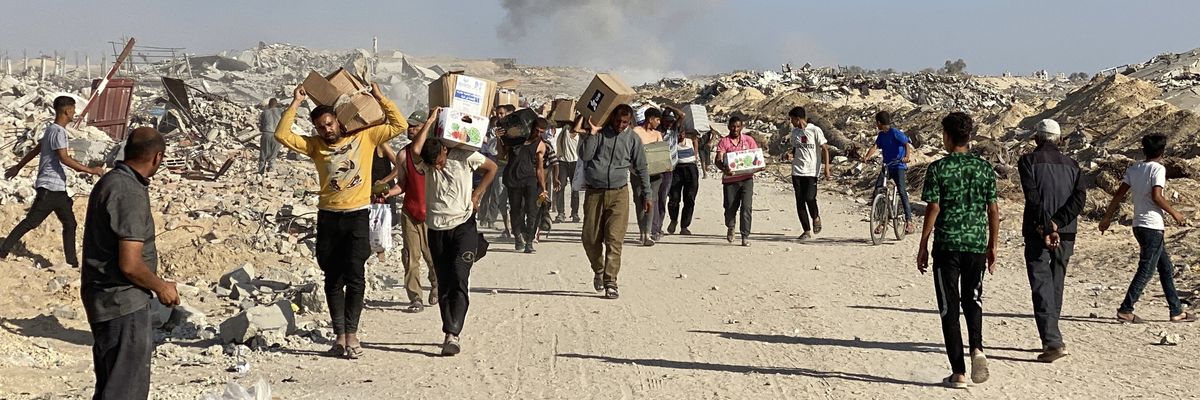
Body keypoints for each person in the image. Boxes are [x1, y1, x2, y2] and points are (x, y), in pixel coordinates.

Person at [275, 83, 407, 359]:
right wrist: (297, 102)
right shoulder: (314, 147)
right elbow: (281, 134)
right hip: (329, 219)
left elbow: (399, 124)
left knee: (356, 277)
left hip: (358, 216)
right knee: (332, 278)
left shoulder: (365, 139)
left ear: (338, 122)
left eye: (329, 124)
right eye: (321, 127)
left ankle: (353, 335)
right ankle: (338, 337)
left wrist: (380, 98)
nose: (327, 130)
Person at [81, 127, 177, 400]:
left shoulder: (112, 181)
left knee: (111, 386)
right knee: (125, 391)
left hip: (105, 300)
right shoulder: (129, 192)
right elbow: (130, 264)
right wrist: (161, 287)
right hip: (123, 303)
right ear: (157, 158)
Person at [916, 112, 999, 388]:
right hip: (976, 244)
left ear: (948, 136)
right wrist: (992, 245)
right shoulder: (985, 169)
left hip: (947, 245)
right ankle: (977, 348)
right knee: (973, 298)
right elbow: (993, 210)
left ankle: (959, 372)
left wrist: (923, 243)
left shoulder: (938, 169)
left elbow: (933, 208)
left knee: (948, 306)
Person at [408, 107, 499, 356]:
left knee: (459, 275)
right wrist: (430, 121)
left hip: (463, 224)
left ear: (445, 151)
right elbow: (416, 150)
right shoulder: (427, 163)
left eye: (438, 162)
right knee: (445, 280)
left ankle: (453, 333)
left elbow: (492, 168)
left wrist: (477, 195)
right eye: (432, 165)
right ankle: (449, 327)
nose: (436, 168)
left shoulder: (466, 156)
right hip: (436, 229)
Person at [1100, 134, 1195, 324]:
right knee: (1146, 269)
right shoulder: (1158, 169)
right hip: (1152, 225)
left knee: (1165, 268)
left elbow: (1119, 194)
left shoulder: (1135, 169)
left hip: (1138, 225)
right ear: (1163, 151)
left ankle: (1176, 310)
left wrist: (1107, 217)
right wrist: (1176, 214)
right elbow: (1157, 196)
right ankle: (1126, 309)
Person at [1, 96, 105, 266]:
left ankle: (72, 263)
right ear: (66, 111)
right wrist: (90, 170)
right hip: (50, 187)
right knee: (31, 222)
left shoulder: (51, 129)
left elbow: (37, 149)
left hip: (58, 189)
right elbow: (63, 158)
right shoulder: (59, 132)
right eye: (73, 109)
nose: (74, 113)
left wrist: (18, 167)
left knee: (70, 224)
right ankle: (3, 251)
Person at [1017, 119, 1086, 363]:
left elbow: (1033, 197)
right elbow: (1079, 200)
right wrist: (1057, 223)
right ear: (1059, 139)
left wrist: (1047, 226)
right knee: (1056, 283)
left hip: (1038, 230)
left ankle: (1053, 341)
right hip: (1066, 231)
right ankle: (1052, 336)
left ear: (1037, 139)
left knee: (1041, 283)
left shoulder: (1028, 161)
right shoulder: (1074, 165)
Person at [579, 105, 651, 299]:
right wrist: (592, 134)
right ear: (612, 118)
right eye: (618, 121)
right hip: (595, 193)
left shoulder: (633, 139)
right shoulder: (600, 134)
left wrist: (647, 194)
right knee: (589, 238)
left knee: (614, 239)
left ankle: (611, 282)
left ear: (630, 122)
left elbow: (642, 167)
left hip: (619, 193)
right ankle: (599, 269)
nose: (620, 125)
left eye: (625, 122)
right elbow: (584, 156)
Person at [393, 110, 438, 312]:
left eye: (415, 126)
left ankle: (437, 285)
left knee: (432, 257)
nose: (410, 130)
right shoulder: (402, 155)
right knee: (411, 257)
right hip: (410, 211)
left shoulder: (434, 154)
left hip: (432, 213)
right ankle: (415, 297)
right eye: (409, 126)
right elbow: (402, 184)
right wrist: (387, 192)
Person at [501, 117, 551, 254]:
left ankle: (529, 242)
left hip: (530, 180)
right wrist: (501, 140)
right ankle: (518, 237)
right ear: (531, 127)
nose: (538, 134)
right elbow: (502, 154)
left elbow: (540, 169)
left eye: (542, 132)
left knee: (532, 211)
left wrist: (543, 188)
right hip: (513, 178)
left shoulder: (541, 145)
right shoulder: (515, 138)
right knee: (516, 210)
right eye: (537, 130)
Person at [862, 110, 916, 234]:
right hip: (887, 166)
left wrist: (907, 157)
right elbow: (875, 146)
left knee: (902, 191)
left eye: (876, 123)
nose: (876, 125)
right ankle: (882, 222)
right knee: (878, 189)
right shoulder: (881, 135)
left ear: (879, 122)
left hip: (898, 166)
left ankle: (909, 221)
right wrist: (867, 156)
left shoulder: (895, 133)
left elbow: (907, 143)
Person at [784, 106, 831, 241]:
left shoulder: (815, 130)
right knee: (800, 201)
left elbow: (825, 149)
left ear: (798, 119)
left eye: (792, 119)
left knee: (810, 197)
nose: (791, 122)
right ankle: (806, 230)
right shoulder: (795, 133)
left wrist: (826, 168)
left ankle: (815, 217)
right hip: (797, 171)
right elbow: (794, 149)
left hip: (811, 171)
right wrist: (790, 155)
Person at [715, 116, 759, 247]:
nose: (735, 129)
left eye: (738, 126)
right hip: (730, 181)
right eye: (733, 126)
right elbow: (718, 159)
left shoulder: (749, 140)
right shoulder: (724, 142)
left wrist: (759, 165)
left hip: (746, 179)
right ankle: (731, 226)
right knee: (729, 207)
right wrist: (724, 169)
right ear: (729, 127)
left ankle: (745, 236)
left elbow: (756, 156)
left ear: (742, 127)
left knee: (746, 207)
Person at [480, 105, 515, 239]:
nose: (500, 116)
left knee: (514, 199)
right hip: (500, 166)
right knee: (500, 198)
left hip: (512, 167)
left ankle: (514, 227)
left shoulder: (513, 128)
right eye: (498, 114)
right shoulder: (493, 131)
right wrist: (497, 138)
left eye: (502, 114)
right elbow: (492, 150)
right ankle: (507, 228)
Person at [632, 107, 664, 247]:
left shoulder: (657, 134)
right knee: (639, 201)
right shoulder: (636, 132)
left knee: (650, 200)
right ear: (650, 119)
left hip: (655, 174)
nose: (658, 122)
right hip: (637, 173)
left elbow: (660, 152)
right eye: (657, 119)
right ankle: (642, 232)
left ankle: (648, 233)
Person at [652, 106, 683, 241]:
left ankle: (658, 227)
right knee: (653, 198)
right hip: (654, 169)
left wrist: (669, 106)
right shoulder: (655, 132)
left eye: (671, 121)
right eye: (666, 120)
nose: (669, 123)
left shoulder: (673, 131)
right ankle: (653, 228)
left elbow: (682, 115)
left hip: (668, 170)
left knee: (662, 198)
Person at [667, 129, 701, 235]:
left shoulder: (690, 141)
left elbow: (695, 140)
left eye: (682, 133)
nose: (680, 135)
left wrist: (695, 154)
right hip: (676, 169)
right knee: (674, 198)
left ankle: (684, 226)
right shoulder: (671, 143)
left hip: (691, 169)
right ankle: (673, 220)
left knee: (690, 199)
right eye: (678, 133)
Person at [554, 121, 582, 223]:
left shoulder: (580, 135)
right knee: (560, 187)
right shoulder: (564, 130)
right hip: (563, 162)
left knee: (575, 189)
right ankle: (560, 213)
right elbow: (554, 121)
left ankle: (575, 213)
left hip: (575, 163)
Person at [257, 98, 283, 174]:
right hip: (277, 135)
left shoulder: (264, 113)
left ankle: (260, 172)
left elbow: (261, 127)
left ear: (268, 104)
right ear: (276, 104)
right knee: (274, 154)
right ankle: (271, 170)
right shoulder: (281, 111)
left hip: (266, 133)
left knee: (263, 153)